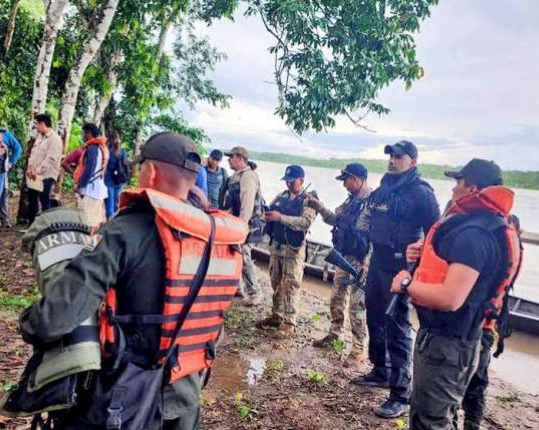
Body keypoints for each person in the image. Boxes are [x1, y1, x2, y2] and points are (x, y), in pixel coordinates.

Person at [18, 132, 249, 429]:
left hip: (122, 402)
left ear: (150, 172)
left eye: (140, 167)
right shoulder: (215, 239)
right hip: (184, 399)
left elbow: (53, 319)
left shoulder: (125, 231)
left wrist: (29, 322)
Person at [392, 158, 521, 429]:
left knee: (432, 421)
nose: (453, 190)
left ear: (472, 189)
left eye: (457, 182)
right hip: (448, 340)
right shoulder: (482, 226)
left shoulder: (475, 235)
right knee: (433, 415)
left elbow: (451, 299)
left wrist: (406, 285)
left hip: (449, 344)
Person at [351, 140, 440, 419]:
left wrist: (417, 268)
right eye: (390, 156)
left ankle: (401, 394)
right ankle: (380, 370)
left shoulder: (422, 193)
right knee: (374, 318)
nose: (392, 160)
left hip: (401, 266)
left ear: (412, 161)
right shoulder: (383, 188)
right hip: (378, 260)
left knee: (397, 326)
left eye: (399, 157)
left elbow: (436, 235)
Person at [458, 214, 522, 430]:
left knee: (477, 378)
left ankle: (472, 422)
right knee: (460, 379)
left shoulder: (507, 254)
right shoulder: (489, 246)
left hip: (484, 325)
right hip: (467, 323)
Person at [306, 163, 371, 366]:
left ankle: (359, 350)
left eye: (346, 180)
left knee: (356, 307)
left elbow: (378, 236)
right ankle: (334, 336)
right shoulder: (350, 201)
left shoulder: (372, 202)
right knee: (336, 298)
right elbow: (336, 220)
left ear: (357, 179)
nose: (344, 185)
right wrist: (320, 207)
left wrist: (368, 262)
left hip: (361, 261)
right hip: (344, 257)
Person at [257, 164, 317, 339]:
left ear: (301, 180)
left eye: (292, 181)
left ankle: (290, 322)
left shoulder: (308, 200)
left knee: (290, 285)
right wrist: (267, 216)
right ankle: (277, 315)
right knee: (276, 281)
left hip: (293, 249)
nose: (289, 184)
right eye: (287, 181)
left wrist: (280, 218)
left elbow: (306, 222)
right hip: (276, 246)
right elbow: (271, 214)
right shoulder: (281, 196)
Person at [222, 146, 266, 306]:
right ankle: (238, 287)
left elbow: (247, 204)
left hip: (248, 224)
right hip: (237, 222)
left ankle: (255, 292)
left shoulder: (248, 176)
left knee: (244, 255)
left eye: (231, 156)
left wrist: (242, 227)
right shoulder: (236, 176)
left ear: (240, 158)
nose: (228, 159)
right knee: (236, 254)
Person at [25, 113, 62, 225]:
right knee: (32, 198)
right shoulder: (39, 137)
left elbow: (51, 159)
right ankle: (32, 225)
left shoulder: (55, 139)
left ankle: (47, 225)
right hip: (33, 173)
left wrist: (38, 171)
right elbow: (33, 154)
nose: (36, 127)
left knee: (44, 199)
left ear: (43, 124)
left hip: (46, 174)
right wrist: (29, 168)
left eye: (37, 124)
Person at [74, 123, 109, 228]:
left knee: (86, 221)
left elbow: (90, 168)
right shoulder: (100, 147)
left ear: (89, 133)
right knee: (94, 221)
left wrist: (80, 185)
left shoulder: (92, 148)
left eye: (84, 133)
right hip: (97, 188)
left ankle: (86, 242)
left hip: (90, 190)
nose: (83, 136)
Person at [103, 130, 129, 219]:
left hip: (108, 179)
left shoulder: (106, 152)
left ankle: (109, 223)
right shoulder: (123, 152)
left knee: (109, 204)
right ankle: (115, 220)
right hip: (120, 180)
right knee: (115, 203)